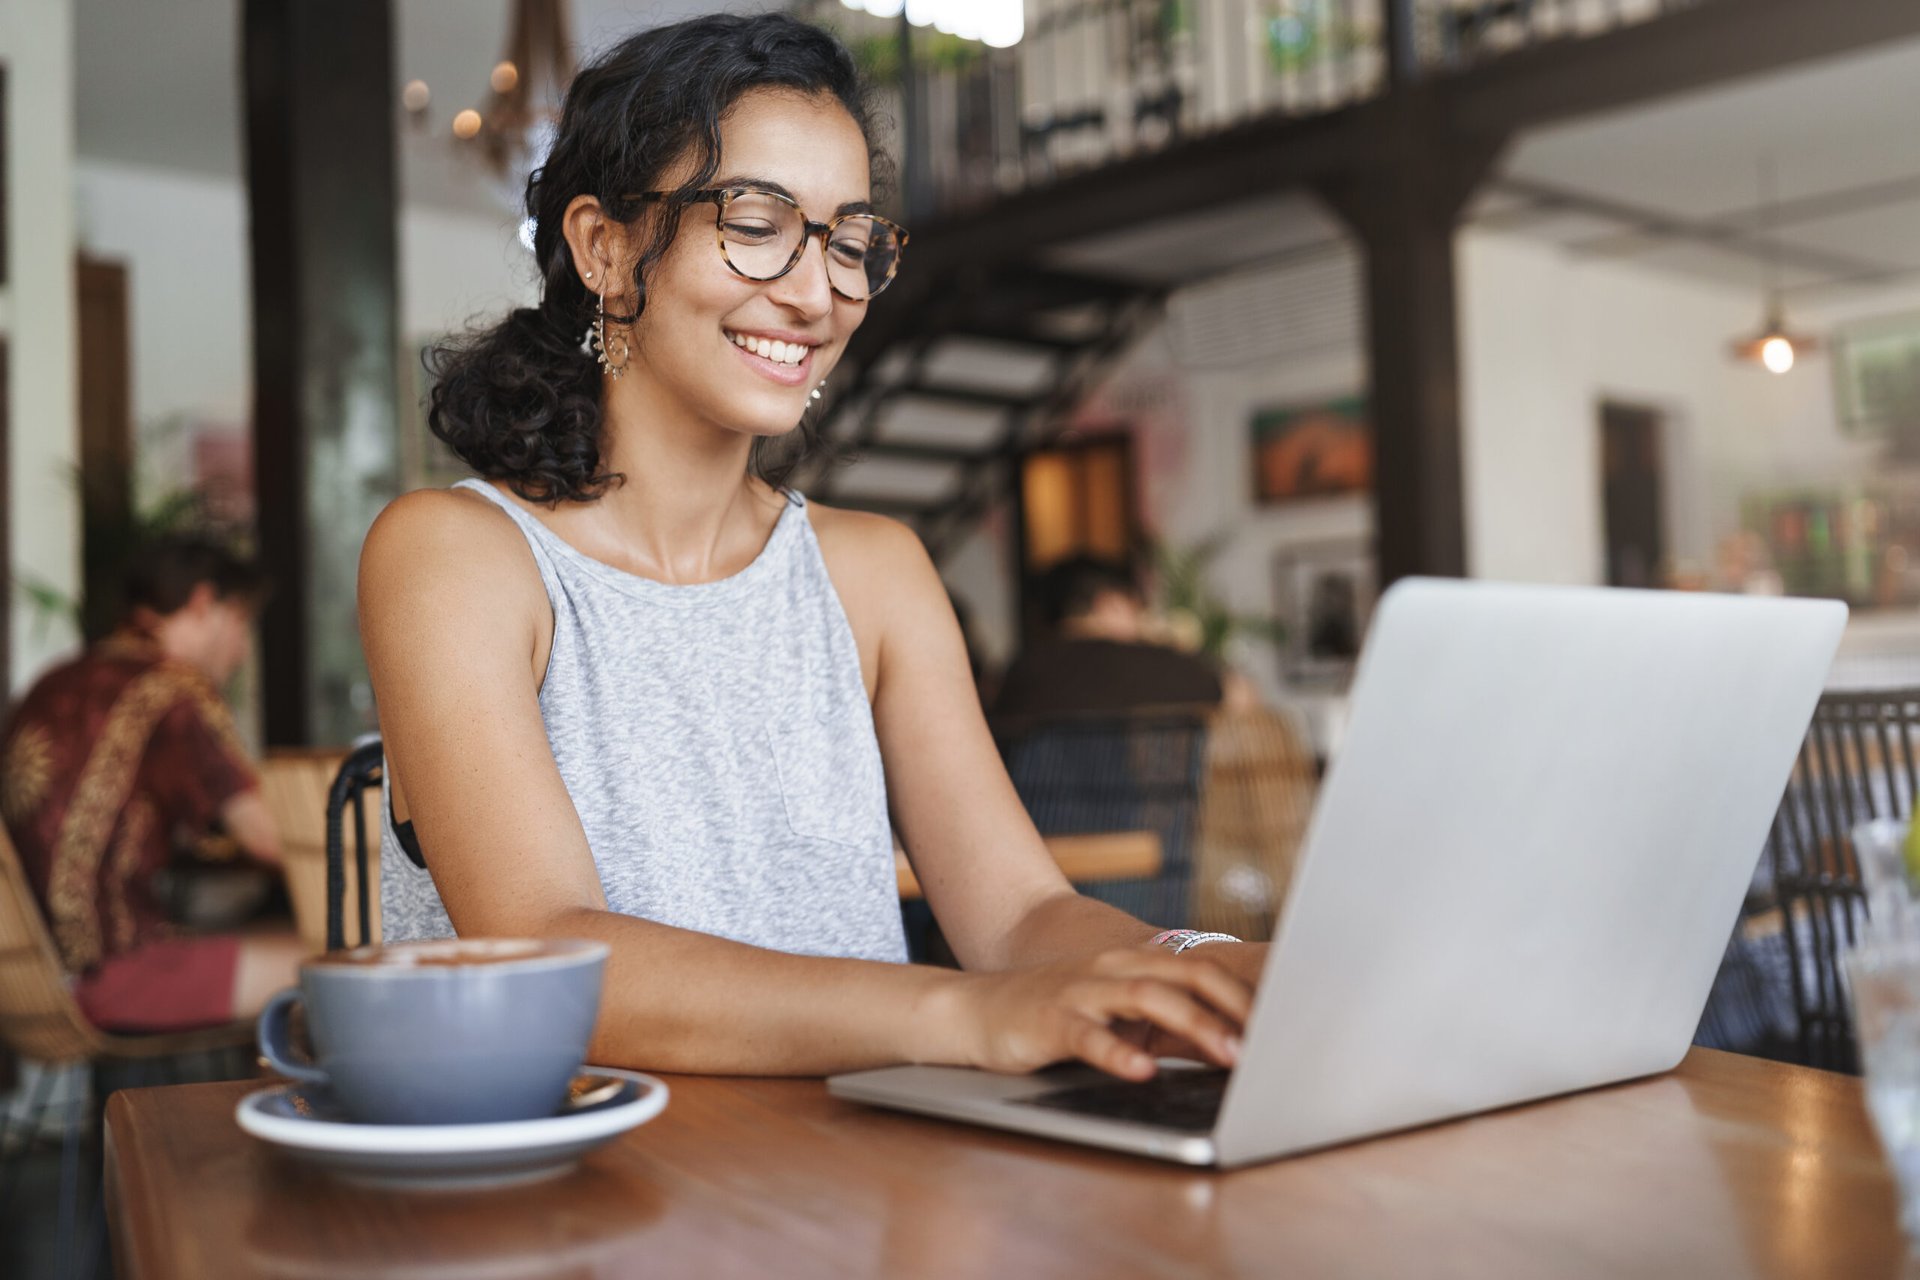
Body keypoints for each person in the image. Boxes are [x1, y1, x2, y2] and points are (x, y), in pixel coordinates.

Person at [359, 13, 1262, 1083]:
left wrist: (1207, 965)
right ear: (603, 247)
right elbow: (551, 953)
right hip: (561, 1204)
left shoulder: (873, 572)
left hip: (848, 1188)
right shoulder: (458, 556)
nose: (816, 287)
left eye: (849, 238)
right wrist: (969, 1016)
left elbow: (1021, 912)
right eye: (754, 220)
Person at [0, 536, 307, 1031]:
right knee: (347, 958)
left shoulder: (55, 682)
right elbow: (270, 839)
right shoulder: (173, 687)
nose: (243, 650)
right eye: (241, 623)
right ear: (204, 603)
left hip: (33, 981)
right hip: (118, 975)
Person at [993, 555, 1223, 719]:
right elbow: (1231, 694)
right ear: (1109, 604)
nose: (1142, 615)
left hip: (1028, 789)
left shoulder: (1019, 670)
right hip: (1133, 788)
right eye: (1136, 606)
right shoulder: (1155, 664)